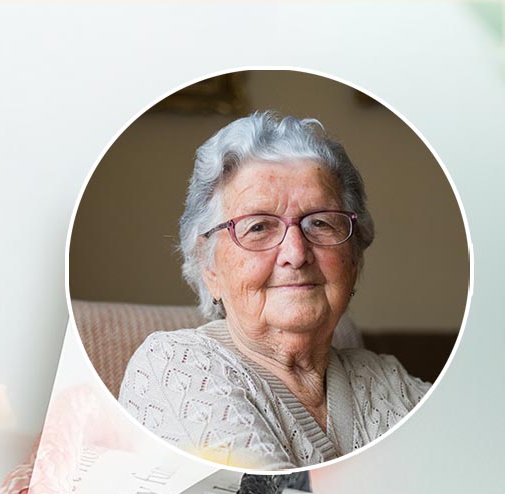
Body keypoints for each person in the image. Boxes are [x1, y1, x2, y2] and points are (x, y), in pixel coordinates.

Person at [118, 111, 429, 468]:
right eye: (258, 227)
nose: (296, 253)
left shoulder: (388, 380)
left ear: (354, 258)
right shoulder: (175, 369)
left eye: (321, 223)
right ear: (209, 265)